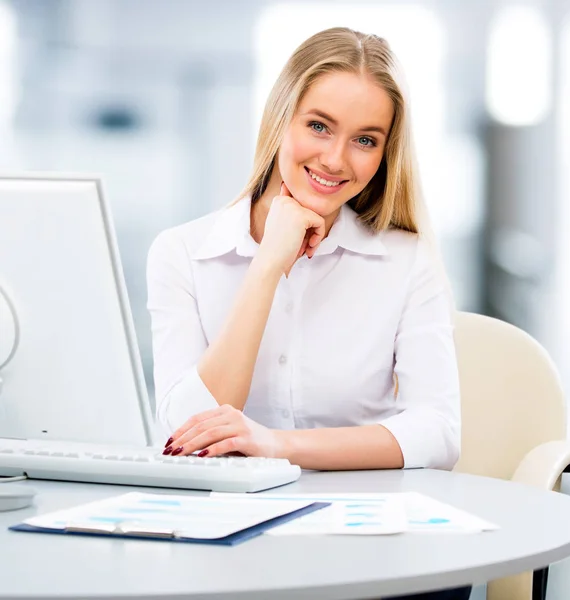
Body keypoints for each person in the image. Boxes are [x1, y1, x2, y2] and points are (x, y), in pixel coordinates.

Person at [147, 27, 469, 600]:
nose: (335, 159)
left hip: (374, 546)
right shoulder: (182, 253)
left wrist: (275, 444)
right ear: (280, 119)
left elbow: (437, 433)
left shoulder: (405, 259)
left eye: (365, 139)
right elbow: (188, 437)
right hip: (229, 546)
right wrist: (268, 264)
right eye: (318, 126)